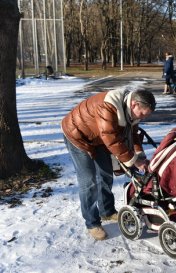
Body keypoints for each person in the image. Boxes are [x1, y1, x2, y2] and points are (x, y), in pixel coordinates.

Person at [61, 89, 156, 240]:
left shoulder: (133, 112)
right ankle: (92, 223)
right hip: (78, 136)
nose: (143, 118)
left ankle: (106, 211)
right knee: (89, 181)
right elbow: (111, 138)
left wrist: (140, 155)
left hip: (98, 137)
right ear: (134, 104)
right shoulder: (109, 106)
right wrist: (133, 161)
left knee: (105, 173)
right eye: (142, 114)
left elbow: (132, 135)